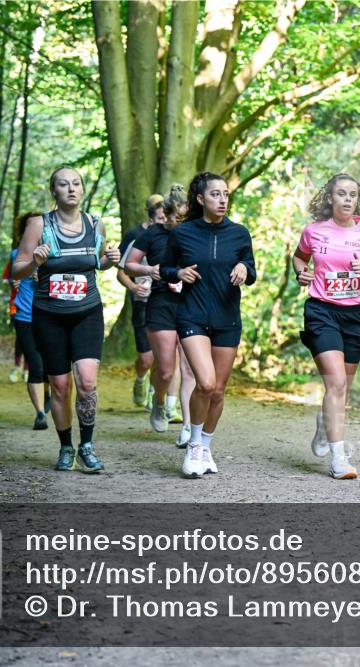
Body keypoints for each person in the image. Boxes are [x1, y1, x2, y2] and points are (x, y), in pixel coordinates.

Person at [12, 166, 120, 473]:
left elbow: (97, 262)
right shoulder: (38, 224)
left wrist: (109, 262)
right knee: (59, 386)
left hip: (87, 312)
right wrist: (34, 261)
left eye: (76, 184)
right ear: (54, 192)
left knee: (87, 381)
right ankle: (65, 446)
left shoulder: (95, 224)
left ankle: (86, 445)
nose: (71, 189)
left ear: (82, 189)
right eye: (63, 184)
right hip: (49, 315)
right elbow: (17, 269)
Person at [293, 173, 360, 480]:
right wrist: (302, 273)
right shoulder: (314, 231)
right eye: (341, 194)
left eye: (352, 195)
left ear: (357, 200)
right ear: (330, 199)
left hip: (355, 315)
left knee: (342, 388)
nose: (347, 199)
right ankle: (339, 458)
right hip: (321, 311)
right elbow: (299, 258)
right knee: (335, 383)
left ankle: (325, 423)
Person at [159, 172, 255, 478]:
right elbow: (165, 267)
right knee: (206, 383)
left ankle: (206, 446)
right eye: (215, 194)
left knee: (219, 391)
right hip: (192, 315)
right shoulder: (183, 233)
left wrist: (243, 268)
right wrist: (178, 274)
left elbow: (251, 271)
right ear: (200, 199)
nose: (223, 199)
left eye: (225, 194)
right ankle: (193, 446)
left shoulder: (239, 234)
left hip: (228, 318)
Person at [125, 186, 190, 435]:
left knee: (189, 368)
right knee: (165, 369)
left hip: (191, 302)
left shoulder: (195, 233)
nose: (181, 223)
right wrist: (149, 270)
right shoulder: (152, 234)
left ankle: (188, 428)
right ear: (166, 214)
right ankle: (159, 402)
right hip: (161, 303)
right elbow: (129, 265)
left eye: (185, 218)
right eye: (176, 218)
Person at [117, 193, 163, 410]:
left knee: (162, 355)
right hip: (142, 302)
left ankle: (156, 396)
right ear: (150, 213)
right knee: (146, 358)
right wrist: (134, 288)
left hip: (164, 303)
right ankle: (140, 379)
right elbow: (122, 270)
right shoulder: (135, 235)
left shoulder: (172, 236)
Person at [10, 212, 51, 431]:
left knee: (49, 366)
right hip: (25, 316)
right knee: (35, 365)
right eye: (29, 226)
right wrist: (25, 274)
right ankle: (40, 413)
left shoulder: (54, 253)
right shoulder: (17, 254)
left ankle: (48, 393)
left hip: (50, 316)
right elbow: (14, 276)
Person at [2, 252, 27, 382]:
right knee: (21, 337)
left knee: (32, 338)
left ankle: (27, 370)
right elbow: (5, 277)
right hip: (15, 304)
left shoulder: (40, 256)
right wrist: (13, 281)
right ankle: (17, 368)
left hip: (33, 305)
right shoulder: (14, 256)